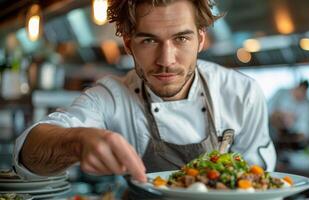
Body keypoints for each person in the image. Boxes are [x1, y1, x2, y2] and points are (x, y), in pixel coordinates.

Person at [13, 0, 276, 184]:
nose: (166, 60)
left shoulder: (242, 93)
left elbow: (260, 182)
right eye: (149, 40)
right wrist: (77, 141)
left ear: (201, 39)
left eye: (181, 38)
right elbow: (26, 156)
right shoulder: (111, 97)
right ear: (129, 44)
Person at [268, 80, 309, 149]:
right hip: (272, 130)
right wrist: (279, 115)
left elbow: (305, 125)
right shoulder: (281, 93)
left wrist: (299, 135)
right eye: (301, 91)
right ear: (297, 87)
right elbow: (268, 109)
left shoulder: (305, 105)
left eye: (304, 93)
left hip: (290, 137)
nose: (301, 95)